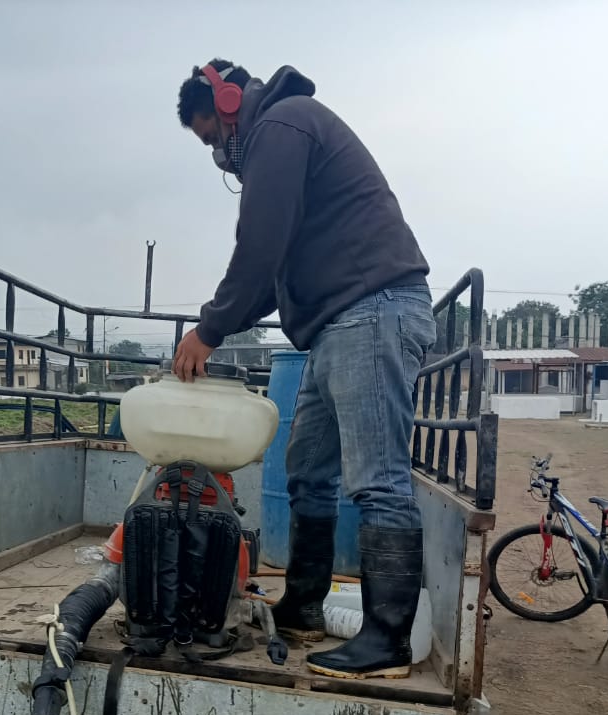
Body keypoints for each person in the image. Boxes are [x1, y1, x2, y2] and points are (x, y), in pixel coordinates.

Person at [171, 59, 436, 680]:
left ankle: (387, 641)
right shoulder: (280, 136)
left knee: (378, 480)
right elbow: (269, 275)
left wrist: (208, 330)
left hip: (372, 310)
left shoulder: (282, 127)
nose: (218, 154)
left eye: (212, 137)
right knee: (308, 471)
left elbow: (259, 248)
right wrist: (217, 324)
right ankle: (305, 606)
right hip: (336, 325)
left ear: (229, 103)